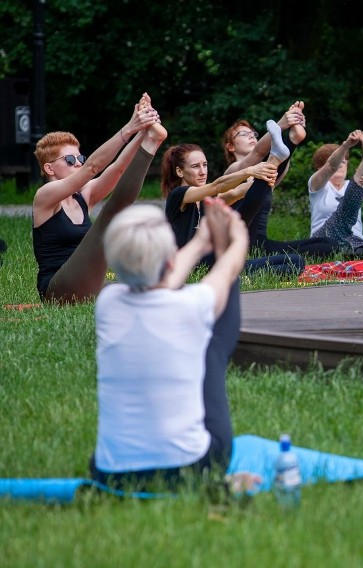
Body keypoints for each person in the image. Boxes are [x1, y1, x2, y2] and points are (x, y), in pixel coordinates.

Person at [91, 198, 247, 489]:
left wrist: (201, 241)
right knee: (210, 346)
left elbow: (160, 277)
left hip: (110, 473)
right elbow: (227, 271)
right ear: (171, 258)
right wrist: (236, 236)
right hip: (189, 467)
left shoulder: (107, 303)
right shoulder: (192, 305)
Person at [32, 93, 166, 303]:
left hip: (88, 285)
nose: (77, 163)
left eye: (79, 158)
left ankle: (150, 143)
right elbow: (92, 168)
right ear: (49, 168)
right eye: (69, 159)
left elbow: (119, 168)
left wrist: (143, 132)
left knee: (142, 288)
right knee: (112, 214)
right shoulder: (44, 197)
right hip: (56, 290)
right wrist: (130, 127)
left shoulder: (83, 196)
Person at [160, 135, 304, 277]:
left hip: (216, 262)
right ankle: (274, 158)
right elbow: (218, 186)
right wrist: (248, 171)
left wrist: (267, 174)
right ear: (180, 171)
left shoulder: (206, 198)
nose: (203, 172)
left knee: (296, 262)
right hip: (195, 266)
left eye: (204, 165)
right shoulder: (178, 195)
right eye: (195, 166)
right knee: (243, 213)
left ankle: (275, 159)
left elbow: (237, 192)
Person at [221, 108, 337, 259]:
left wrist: (293, 133)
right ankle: (292, 140)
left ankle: (293, 140)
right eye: (243, 134)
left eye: (253, 134)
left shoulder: (269, 171)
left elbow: (281, 159)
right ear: (231, 146)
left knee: (328, 244)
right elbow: (258, 153)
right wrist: (281, 124)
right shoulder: (232, 172)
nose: (251, 136)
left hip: (261, 246)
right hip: (240, 243)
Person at [308, 130, 363, 255]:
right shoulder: (316, 186)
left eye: (343, 162)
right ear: (319, 168)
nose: (340, 166)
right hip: (323, 241)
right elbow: (331, 166)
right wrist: (346, 145)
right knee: (342, 217)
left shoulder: (351, 185)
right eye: (338, 162)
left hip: (356, 242)